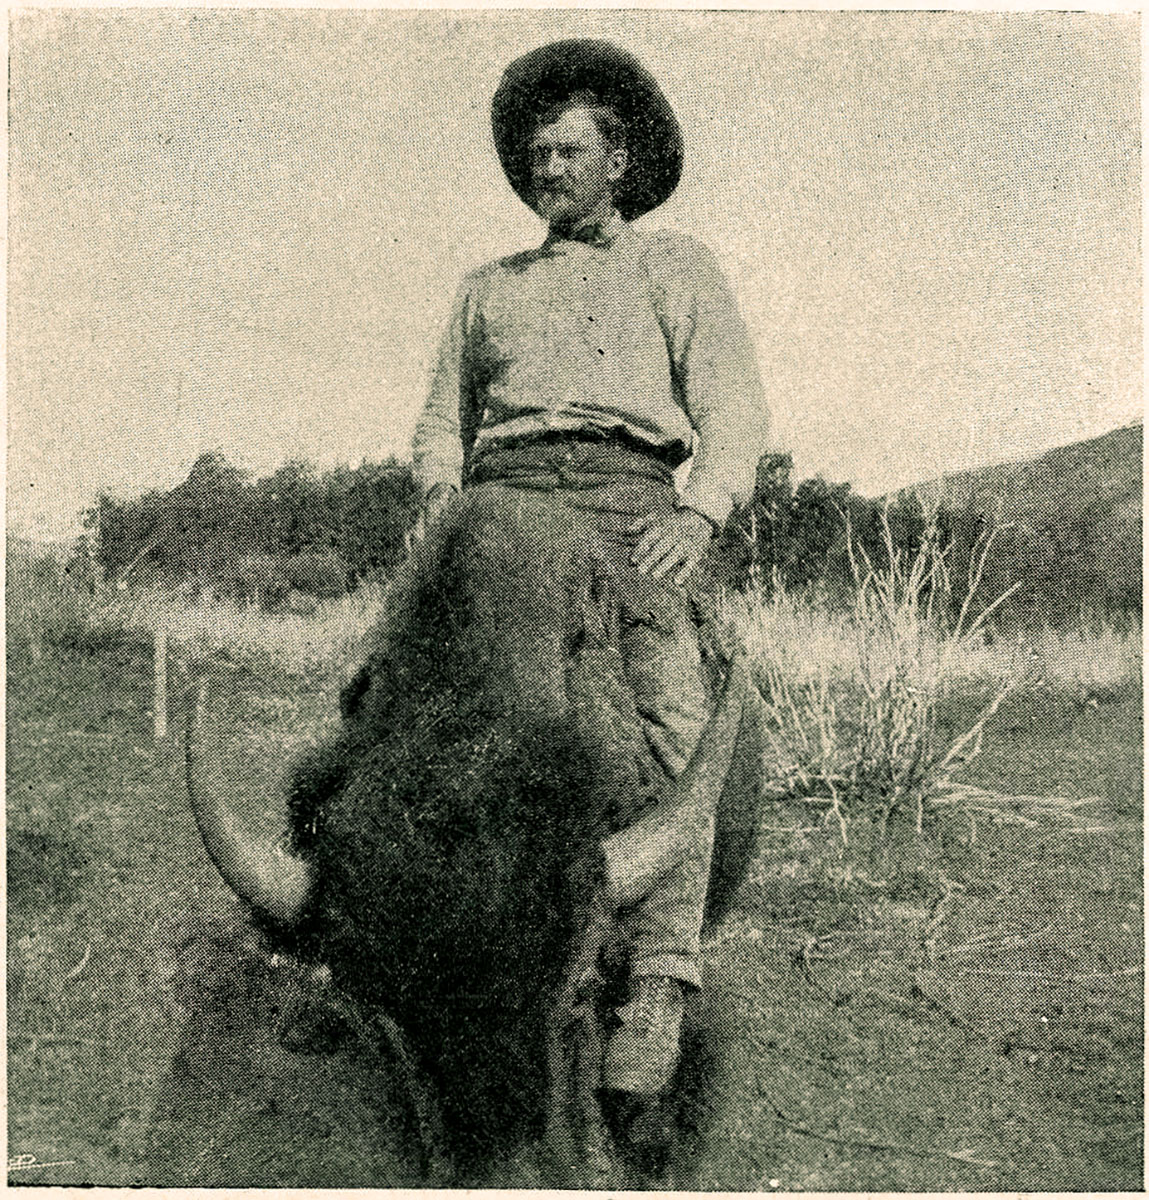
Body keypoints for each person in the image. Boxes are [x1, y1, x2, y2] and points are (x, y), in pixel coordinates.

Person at [412, 39, 770, 1099]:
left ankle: (659, 977)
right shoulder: (487, 289)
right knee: (396, 693)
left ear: (619, 161)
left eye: (566, 151)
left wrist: (700, 513)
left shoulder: (678, 269)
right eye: (534, 154)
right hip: (500, 502)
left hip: (628, 504)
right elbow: (440, 424)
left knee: (674, 707)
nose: (543, 169)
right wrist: (440, 498)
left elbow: (734, 411)